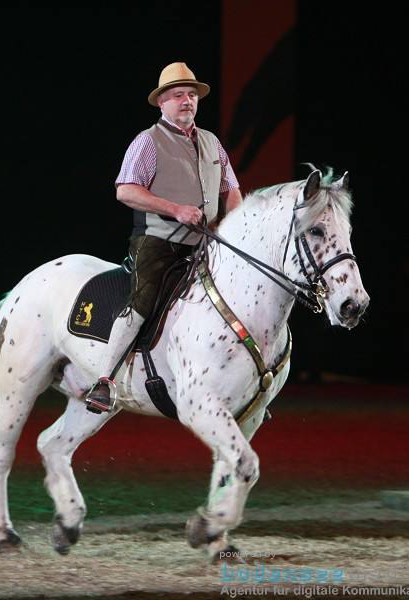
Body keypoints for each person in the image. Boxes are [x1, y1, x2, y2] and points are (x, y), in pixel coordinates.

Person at [68, 62, 242, 413]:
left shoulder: (211, 142)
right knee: (143, 300)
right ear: (162, 102)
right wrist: (175, 209)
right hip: (158, 241)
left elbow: (232, 190)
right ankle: (105, 379)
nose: (187, 101)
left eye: (192, 95)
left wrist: (233, 229)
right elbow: (125, 190)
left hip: (205, 244)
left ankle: (243, 379)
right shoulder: (147, 142)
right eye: (178, 95)